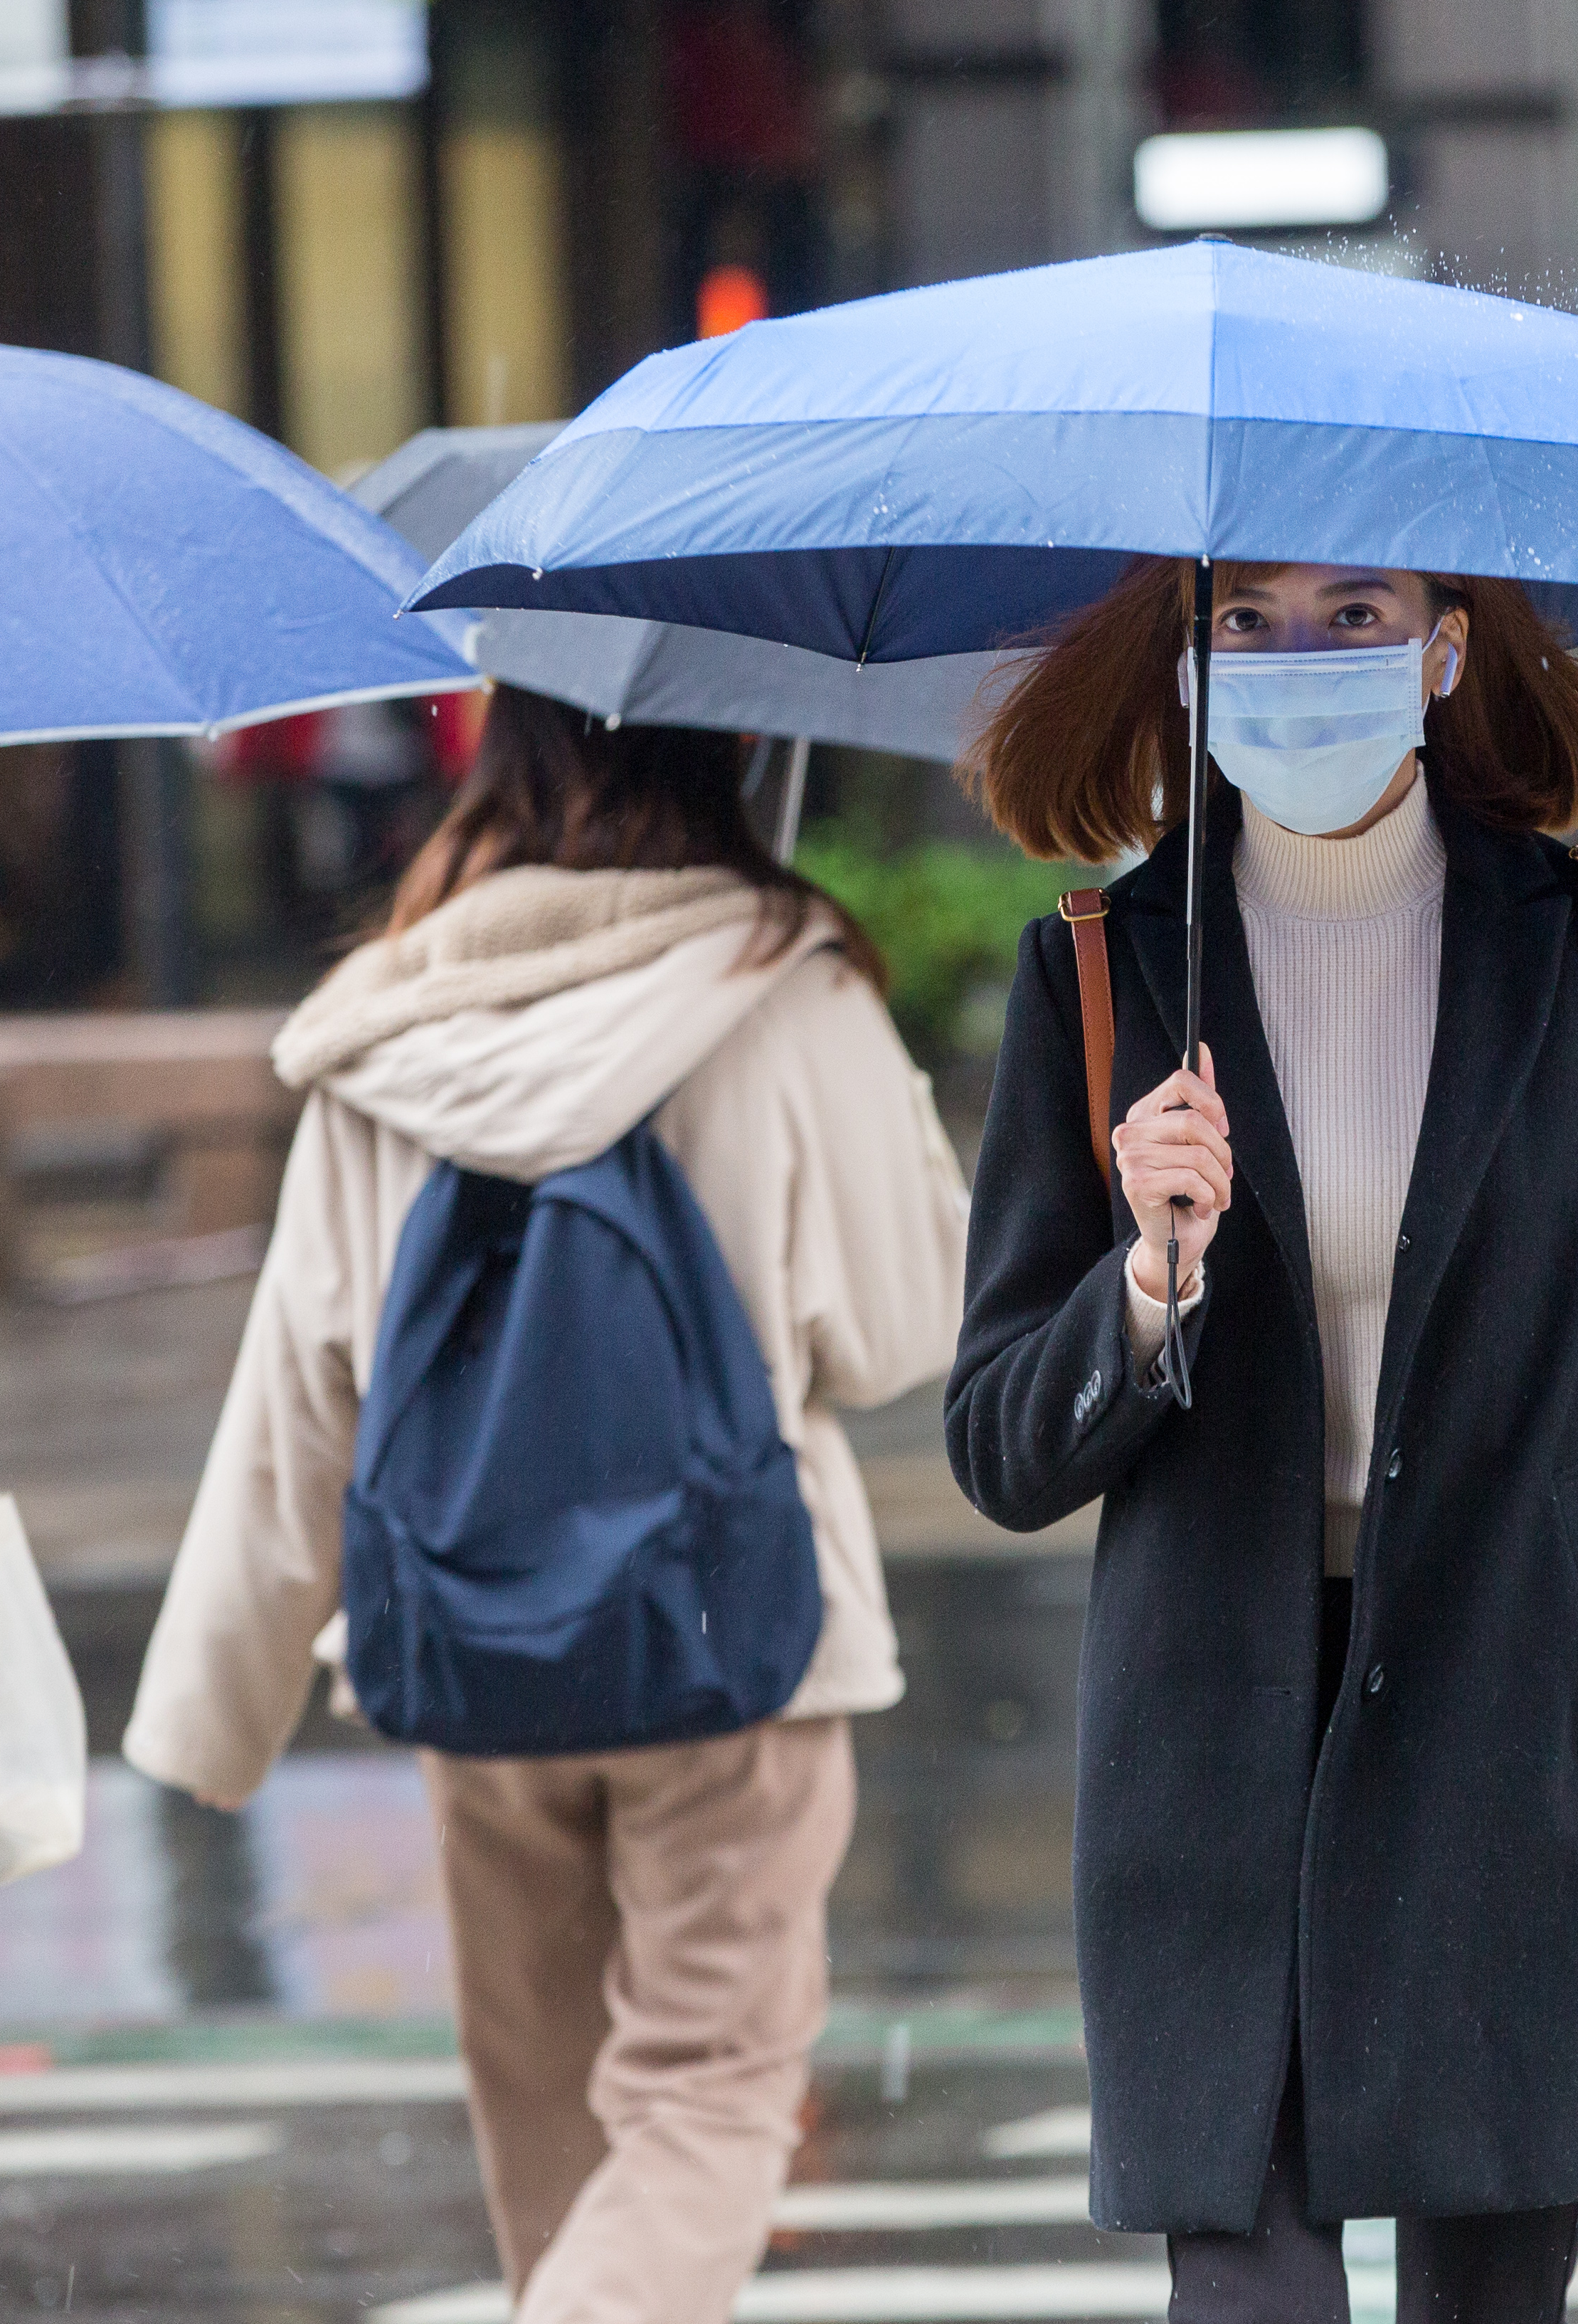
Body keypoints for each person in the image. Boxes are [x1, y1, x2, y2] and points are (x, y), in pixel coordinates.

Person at [945, 562, 1578, 2323]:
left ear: (1442, 651)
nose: (1299, 661)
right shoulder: (1101, 971)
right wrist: (1143, 1281)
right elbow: (998, 1437)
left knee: (1487, 2297)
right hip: (1210, 1756)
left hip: (1506, 1726)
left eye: (1354, 617)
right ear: (1188, 666)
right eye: (1248, 622)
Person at [126, 689, 966, 2324]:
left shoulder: (385, 1020)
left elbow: (308, 1390)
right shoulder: (780, 994)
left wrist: (211, 1713)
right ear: (731, 744)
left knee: (547, 2114)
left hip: (464, 1641)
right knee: (710, 2085)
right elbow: (894, 1331)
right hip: (737, 1639)